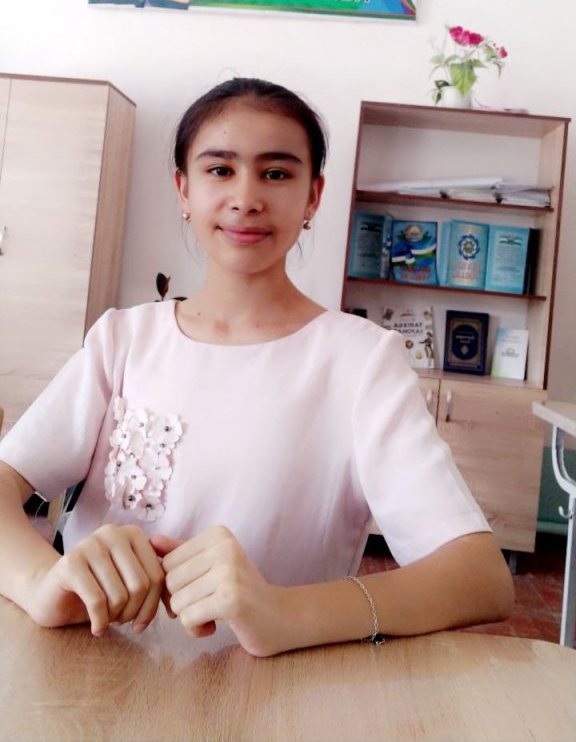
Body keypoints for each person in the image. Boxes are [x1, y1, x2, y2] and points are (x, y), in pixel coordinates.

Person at [0, 77, 513, 657]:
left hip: (270, 697)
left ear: (313, 196)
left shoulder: (362, 362)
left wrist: (287, 612)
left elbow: (480, 577)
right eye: (220, 170)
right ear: (183, 189)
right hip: (90, 678)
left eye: (276, 173)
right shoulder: (124, 338)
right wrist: (41, 584)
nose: (246, 197)